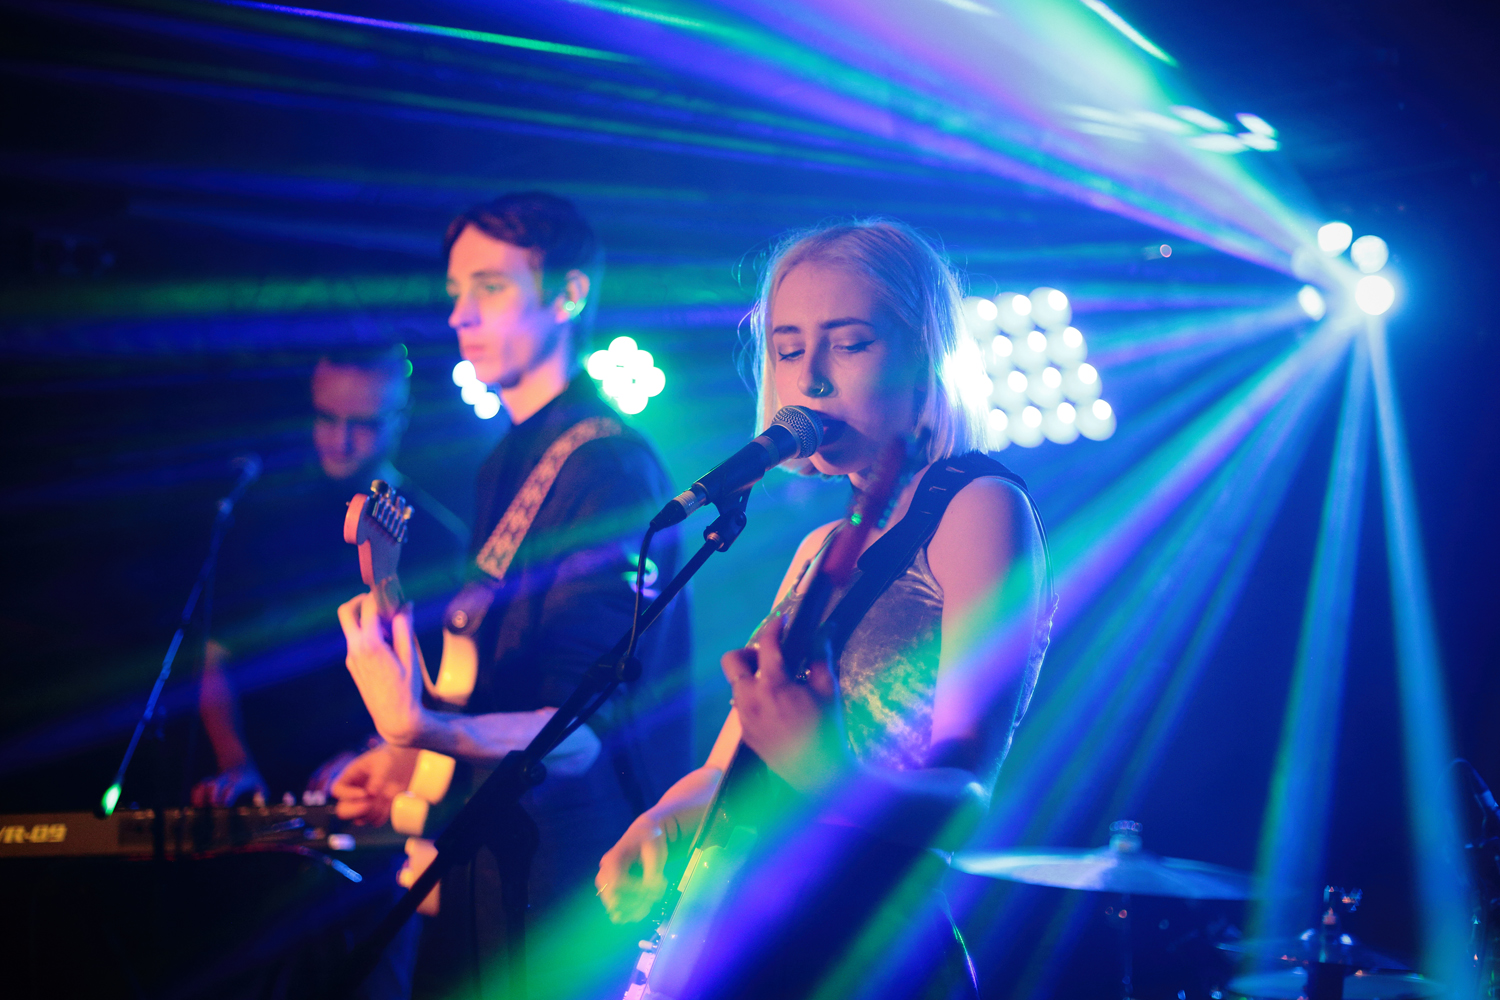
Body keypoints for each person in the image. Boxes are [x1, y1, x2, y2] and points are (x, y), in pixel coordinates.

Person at [595, 219, 1054, 1000]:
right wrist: (668, 818)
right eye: (787, 349)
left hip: (866, 947)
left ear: (924, 358)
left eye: (848, 344)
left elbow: (965, 798)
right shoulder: (819, 547)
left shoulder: (979, 504)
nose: (809, 379)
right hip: (751, 929)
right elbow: (736, 767)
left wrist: (828, 772)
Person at [334, 192, 692, 999]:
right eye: (455, 291)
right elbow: (494, 684)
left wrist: (421, 726)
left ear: (569, 295)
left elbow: (581, 733)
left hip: (565, 887)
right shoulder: (507, 460)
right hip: (491, 856)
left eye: (490, 286)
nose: (459, 314)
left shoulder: (609, 470)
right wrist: (402, 759)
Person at [194, 340, 467, 809]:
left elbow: (442, 683)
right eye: (327, 418)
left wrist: (378, 755)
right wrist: (235, 762)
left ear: (401, 419)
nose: (341, 440)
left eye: (364, 424)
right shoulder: (262, 515)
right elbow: (214, 654)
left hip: (366, 793)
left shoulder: (441, 537)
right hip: (259, 789)